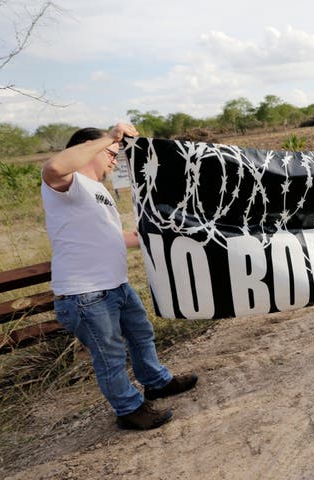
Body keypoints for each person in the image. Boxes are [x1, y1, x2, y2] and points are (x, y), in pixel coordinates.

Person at [41, 123, 198, 431]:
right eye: (112, 153)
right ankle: (129, 409)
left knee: (141, 334)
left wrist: (160, 235)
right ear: (91, 147)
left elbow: (114, 237)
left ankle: (156, 381)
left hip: (115, 286)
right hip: (85, 294)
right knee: (110, 356)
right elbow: (54, 165)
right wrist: (109, 137)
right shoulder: (65, 183)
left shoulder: (98, 190)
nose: (115, 160)